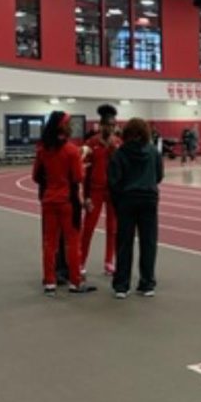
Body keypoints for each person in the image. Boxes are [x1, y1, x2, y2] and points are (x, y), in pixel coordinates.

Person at [32, 110, 96, 296]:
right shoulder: (71, 150)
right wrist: (82, 166)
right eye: (68, 123)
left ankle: (49, 282)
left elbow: (36, 176)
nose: (71, 126)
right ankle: (75, 282)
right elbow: (78, 177)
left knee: (49, 243)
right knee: (72, 242)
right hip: (68, 202)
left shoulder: (43, 149)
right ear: (62, 126)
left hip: (49, 201)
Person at [108, 117, 164, 299]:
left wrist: (119, 199)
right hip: (148, 199)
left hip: (127, 200)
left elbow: (114, 180)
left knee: (124, 243)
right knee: (148, 242)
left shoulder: (120, 153)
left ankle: (122, 286)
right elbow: (159, 176)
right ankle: (147, 283)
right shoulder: (153, 152)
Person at [79, 103, 120, 277]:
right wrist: (86, 196)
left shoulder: (119, 143)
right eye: (107, 125)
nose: (110, 128)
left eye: (113, 125)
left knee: (113, 228)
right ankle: (81, 262)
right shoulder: (91, 143)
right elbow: (84, 172)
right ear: (100, 125)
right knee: (88, 227)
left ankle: (109, 262)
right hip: (95, 191)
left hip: (113, 192)